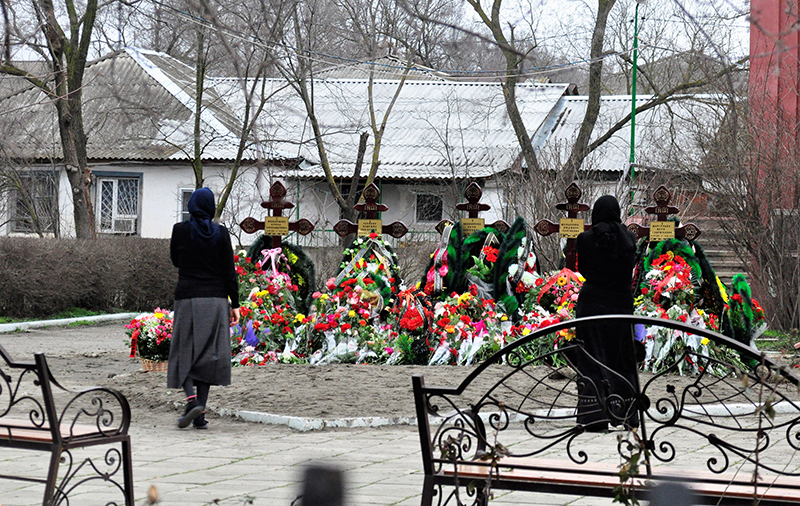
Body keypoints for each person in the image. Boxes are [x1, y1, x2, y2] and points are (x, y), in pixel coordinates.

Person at [167, 187, 240, 429]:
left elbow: (175, 260)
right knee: (209, 356)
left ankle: (191, 401)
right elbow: (229, 271)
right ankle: (199, 414)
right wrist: (235, 304)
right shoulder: (221, 234)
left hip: (187, 298)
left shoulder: (180, 230)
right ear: (210, 208)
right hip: (216, 300)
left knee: (183, 350)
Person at [574, 195, 639, 432]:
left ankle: (595, 416)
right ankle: (626, 413)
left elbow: (583, 270)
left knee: (593, 358)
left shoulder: (585, 239)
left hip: (593, 305)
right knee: (622, 358)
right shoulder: (629, 238)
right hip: (621, 305)